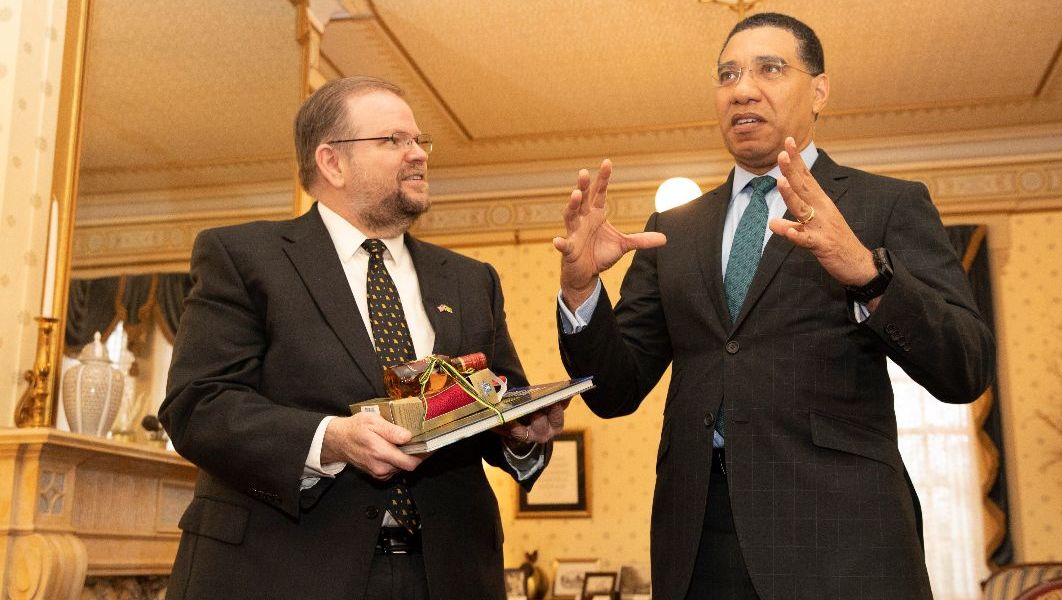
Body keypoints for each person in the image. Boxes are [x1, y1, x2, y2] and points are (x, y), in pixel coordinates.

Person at [554, 13, 995, 600]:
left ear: (819, 90)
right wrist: (582, 291)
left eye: (770, 68)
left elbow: (964, 368)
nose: (742, 88)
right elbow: (614, 390)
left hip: (844, 537)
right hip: (699, 540)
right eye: (727, 74)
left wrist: (867, 273)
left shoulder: (886, 204)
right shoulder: (673, 231)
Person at [160, 76, 566, 600]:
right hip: (282, 572)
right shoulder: (243, 258)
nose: (418, 154)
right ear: (332, 161)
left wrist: (520, 433)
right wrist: (329, 439)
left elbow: (497, 402)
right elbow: (197, 406)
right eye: (394, 141)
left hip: (448, 575)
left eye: (419, 141)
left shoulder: (470, 280)